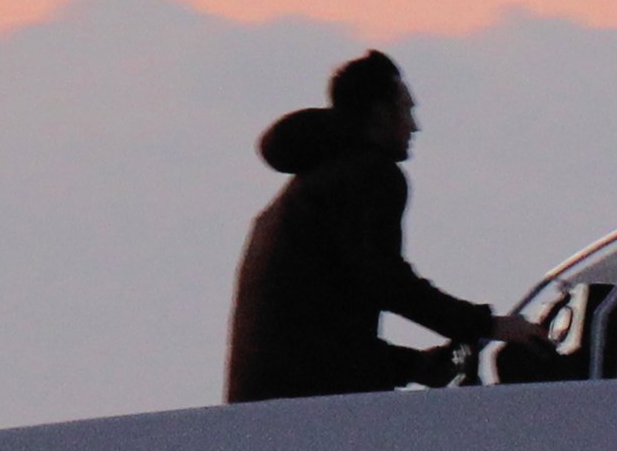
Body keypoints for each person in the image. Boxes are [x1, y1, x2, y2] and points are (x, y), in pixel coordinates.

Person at [226, 51, 547, 402]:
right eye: (407, 110)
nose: (415, 125)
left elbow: (318, 338)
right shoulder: (371, 175)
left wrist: (416, 365)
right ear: (381, 113)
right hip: (306, 409)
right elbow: (386, 281)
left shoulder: (311, 187)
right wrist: (490, 325)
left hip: (269, 405)